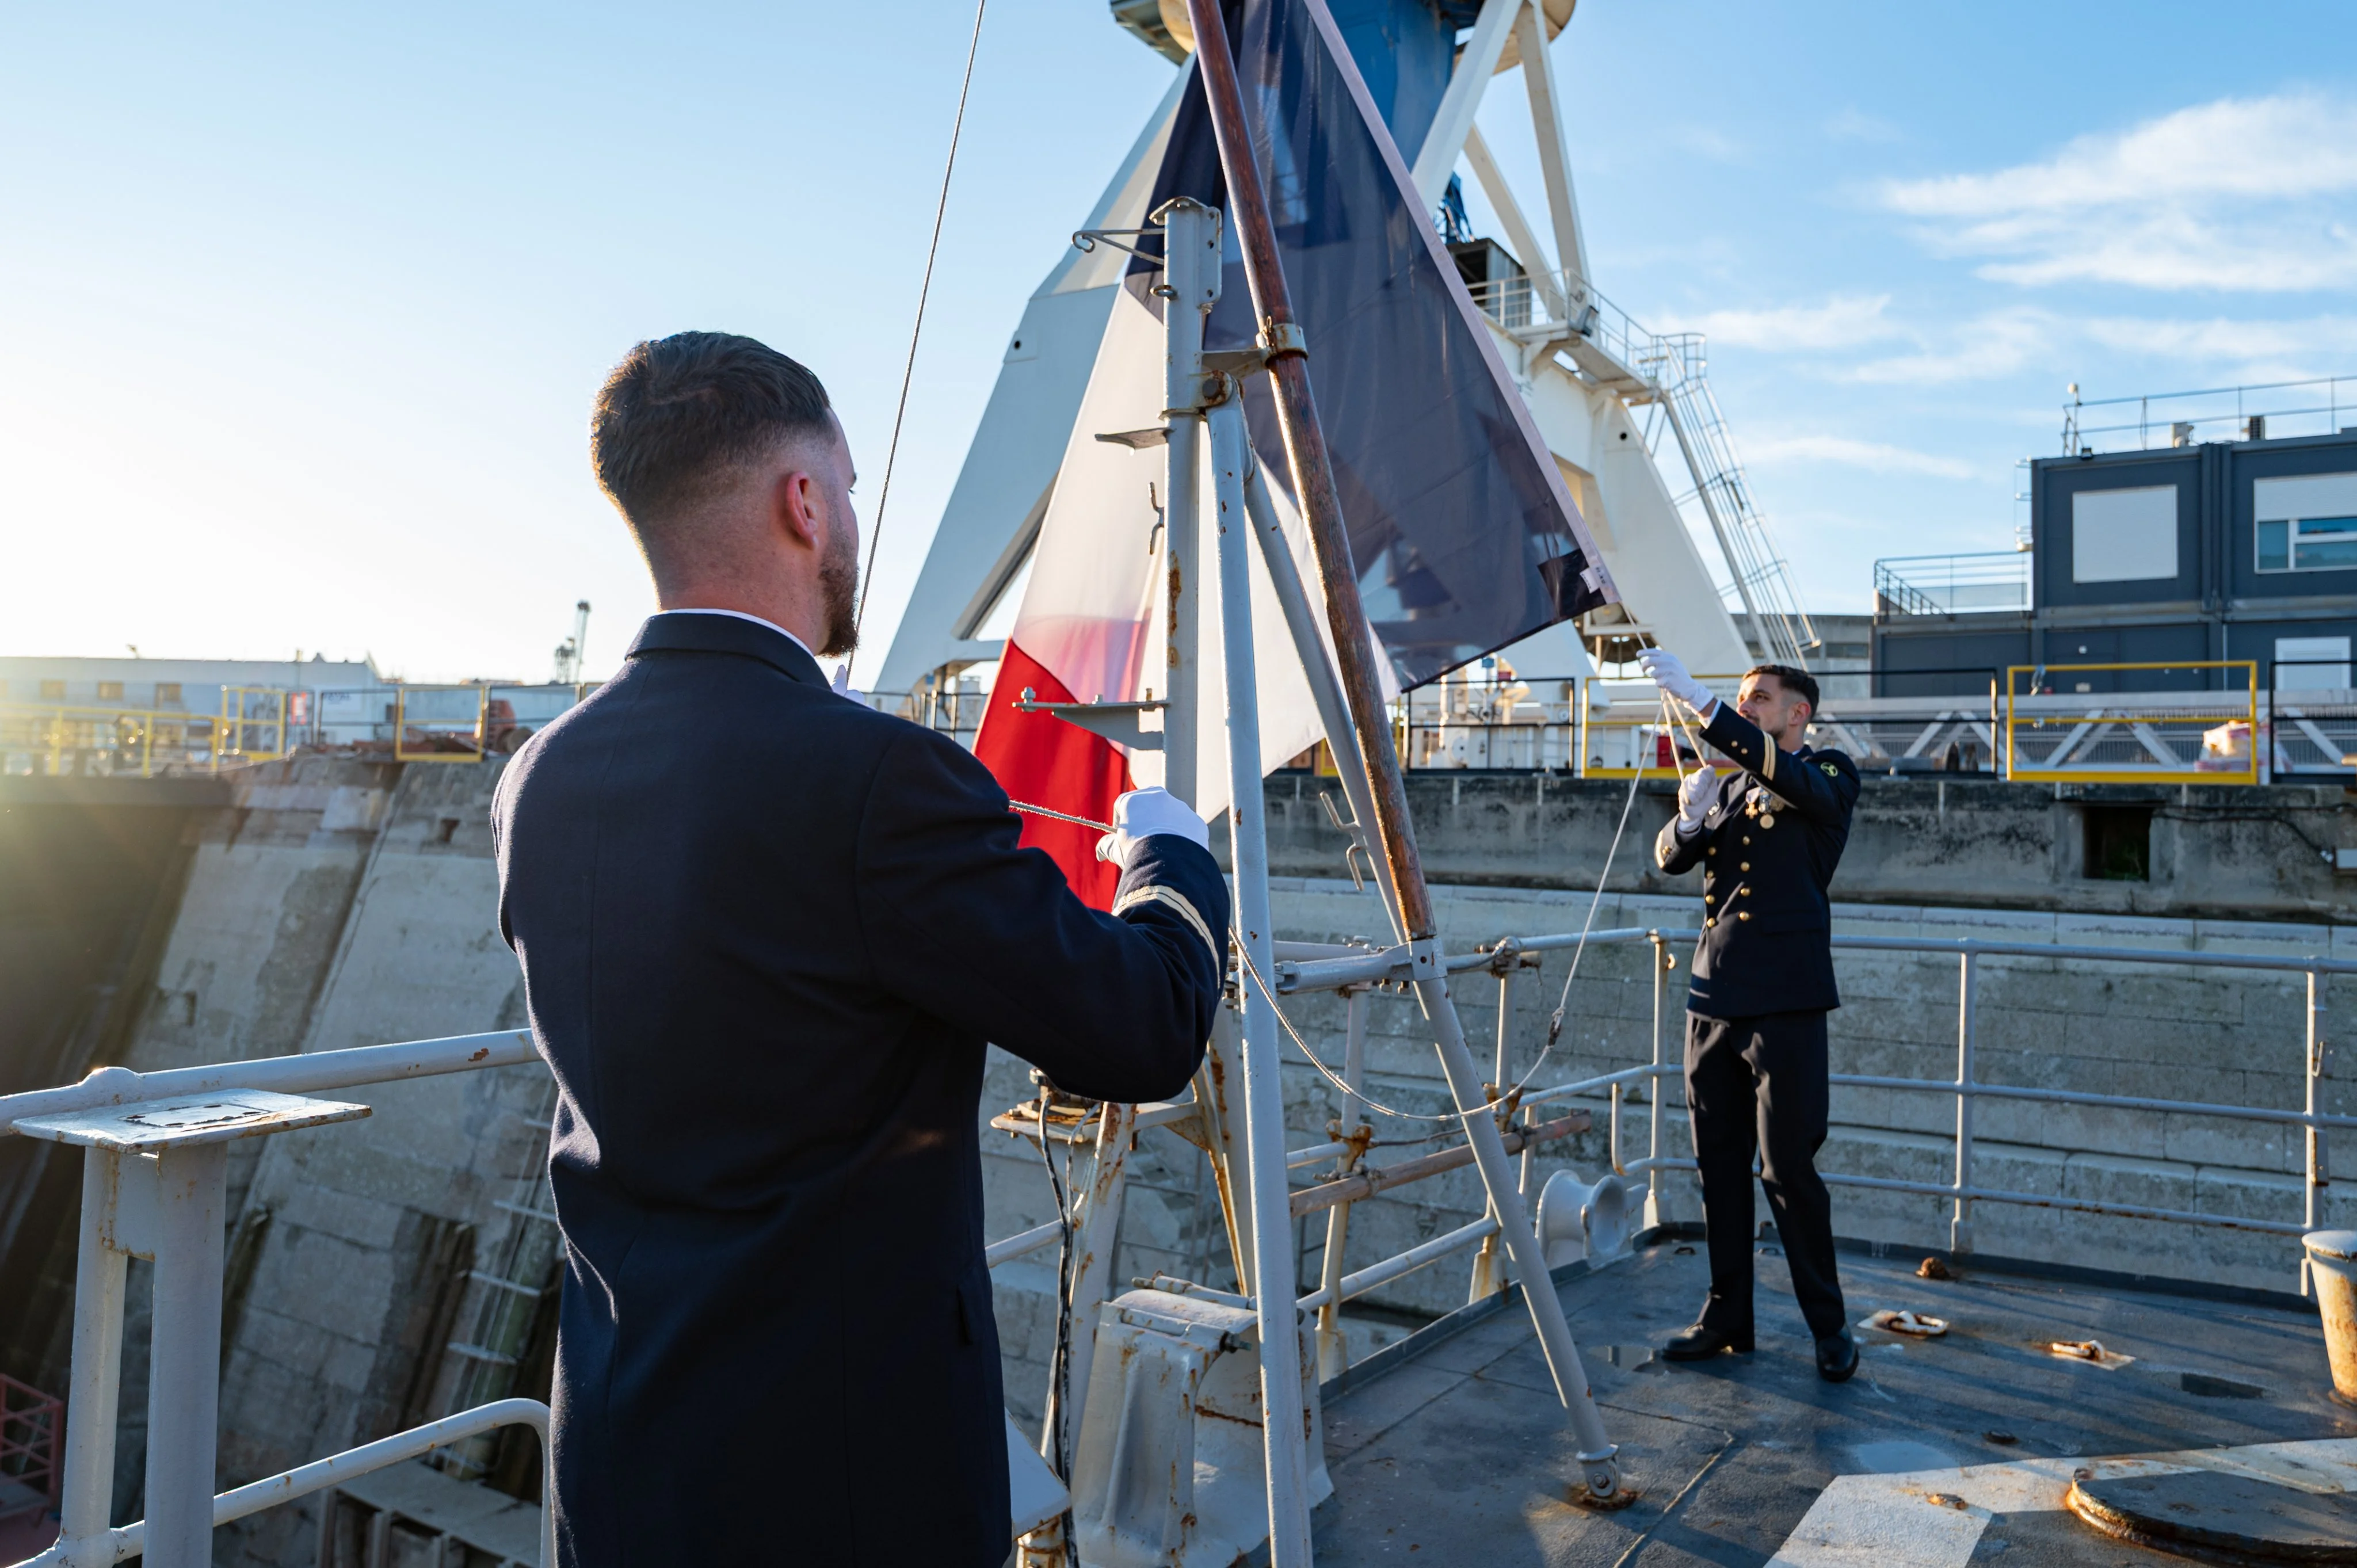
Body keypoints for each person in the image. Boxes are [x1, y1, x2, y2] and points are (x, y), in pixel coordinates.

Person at [491, 331, 1231, 1566]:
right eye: (844, 490)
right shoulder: (876, 780)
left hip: (621, 1457)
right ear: (801, 503)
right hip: (838, 1481)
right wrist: (1169, 859)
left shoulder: (541, 776)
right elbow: (1140, 1028)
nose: (848, 523)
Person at [1638, 648, 1861, 1383]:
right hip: (1712, 999)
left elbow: (1791, 781)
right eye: (1740, 697)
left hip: (1786, 1005)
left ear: (1798, 713)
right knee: (1718, 1167)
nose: (1747, 705)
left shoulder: (1825, 774)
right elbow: (1672, 860)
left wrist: (1705, 704)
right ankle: (1727, 1313)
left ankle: (1828, 1327)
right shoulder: (1731, 788)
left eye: (1759, 698)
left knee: (1789, 1167)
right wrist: (1690, 819)